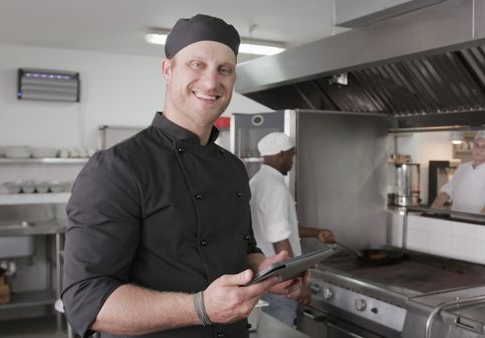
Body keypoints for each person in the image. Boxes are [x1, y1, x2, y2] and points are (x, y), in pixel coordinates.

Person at [61, 14, 304, 338]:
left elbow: (241, 249)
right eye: (197, 64)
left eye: (224, 70)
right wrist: (200, 308)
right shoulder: (117, 168)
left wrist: (265, 270)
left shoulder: (232, 167)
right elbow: (86, 299)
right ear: (167, 70)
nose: (211, 82)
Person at [249, 132, 335, 326]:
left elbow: (278, 226)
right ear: (280, 154)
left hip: (263, 275)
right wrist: (297, 281)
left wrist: (315, 232)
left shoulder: (256, 182)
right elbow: (280, 241)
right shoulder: (275, 188)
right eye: (291, 154)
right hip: (279, 282)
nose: (292, 160)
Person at [430, 130, 485, 214]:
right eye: (477, 145)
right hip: (457, 220)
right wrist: (432, 211)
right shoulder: (462, 168)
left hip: (480, 224)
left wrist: (475, 223)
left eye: (484, 147)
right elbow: (447, 191)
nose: (479, 150)